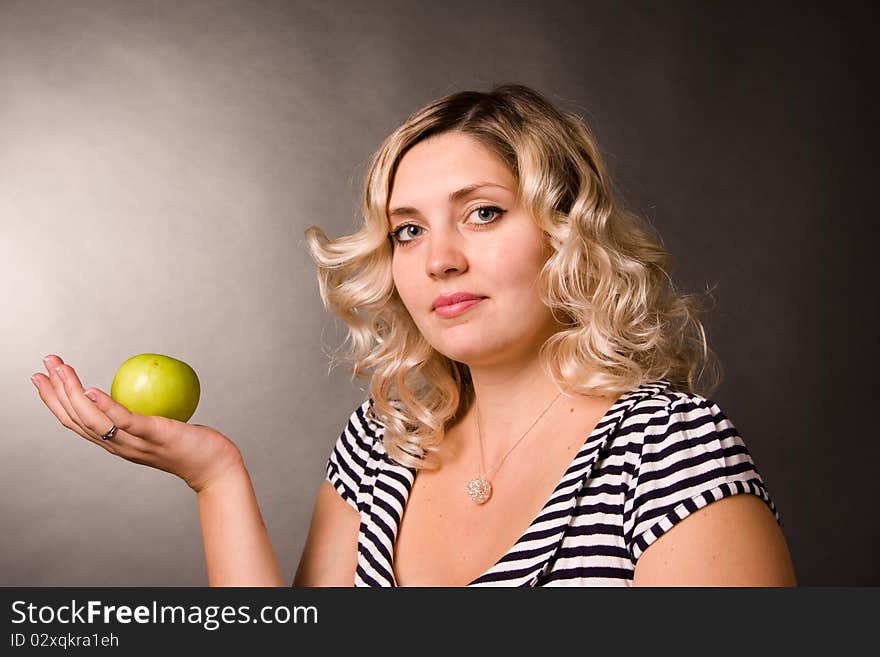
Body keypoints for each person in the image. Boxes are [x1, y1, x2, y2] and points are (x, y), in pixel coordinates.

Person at [32, 84, 796, 587]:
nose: (440, 259)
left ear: (567, 233)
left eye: (484, 212)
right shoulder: (381, 444)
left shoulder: (668, 452)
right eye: (408, 230)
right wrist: (216, 479)